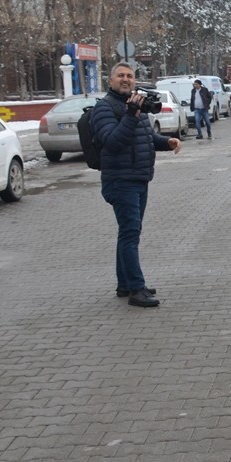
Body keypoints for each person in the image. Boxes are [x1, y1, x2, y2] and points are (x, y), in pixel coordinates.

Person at [93, 62, 181, 307]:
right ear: (110, 81)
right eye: (120, 76)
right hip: (120, 181)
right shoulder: (104, 109)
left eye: (130, 76)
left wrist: (167, 142)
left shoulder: (134, 107)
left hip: (139, 179)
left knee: (129, 233)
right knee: (131, 234)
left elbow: (146, 137)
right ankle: (136, 289)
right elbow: (112, 141)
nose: (126, 80)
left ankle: (125, 284)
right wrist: (132, 114)